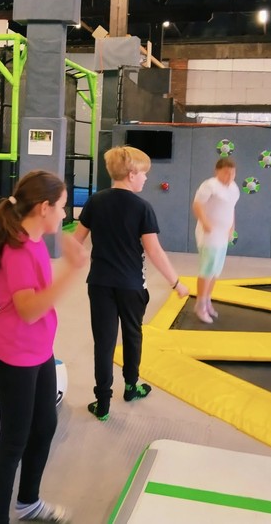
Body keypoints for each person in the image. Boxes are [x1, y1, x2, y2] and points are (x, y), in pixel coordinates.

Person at [0, 170, 86, 524]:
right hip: (14, 355)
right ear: (44, 207)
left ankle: (28, 501)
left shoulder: (34, 240)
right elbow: (28, 310)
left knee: (44, 426)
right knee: (14, 440)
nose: (65, 213)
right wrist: (72, 271)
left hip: (39, 351)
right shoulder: (18, 250)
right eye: (62, 206)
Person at [74, 146, 189, 422]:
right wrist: (175, 282)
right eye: (144, 174)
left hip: (100, 283)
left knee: (104, 342)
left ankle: (102, 403)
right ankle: (130, 386)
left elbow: (76, 241)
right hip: (131, 285)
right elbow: (154, 251)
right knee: (132, 335)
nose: (146, 179)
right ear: (131, 173)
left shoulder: (95, 201)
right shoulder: (142, 207)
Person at [191, 158, 240, 324]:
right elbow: (197, 205)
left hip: (222, 235)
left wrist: (232, 227)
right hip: (209, 234)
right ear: (217, 171)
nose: (229, 176)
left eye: (232, 173)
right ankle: (200, 305)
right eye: (226, 173)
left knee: (216, 270)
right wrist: (205, 222)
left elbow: (231, 208)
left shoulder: (234, 188)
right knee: (207, 269)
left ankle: (207, 300)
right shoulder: (209, 185)